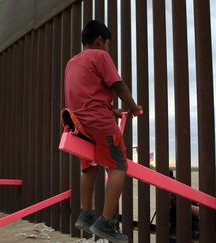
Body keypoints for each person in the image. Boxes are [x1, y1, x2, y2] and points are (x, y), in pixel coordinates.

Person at [64, 20, 141, 243]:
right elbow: (117, 84)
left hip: (78, 124)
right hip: (99, 123)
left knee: (89, 167)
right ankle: (106, 223)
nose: (108, 48)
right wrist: (133, 107)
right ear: (100, 40)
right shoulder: (100, 56)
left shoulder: (72, 62)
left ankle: (86, 214)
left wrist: (111, 109)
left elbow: (84, 95)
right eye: (108, 44)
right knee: (119, 166)